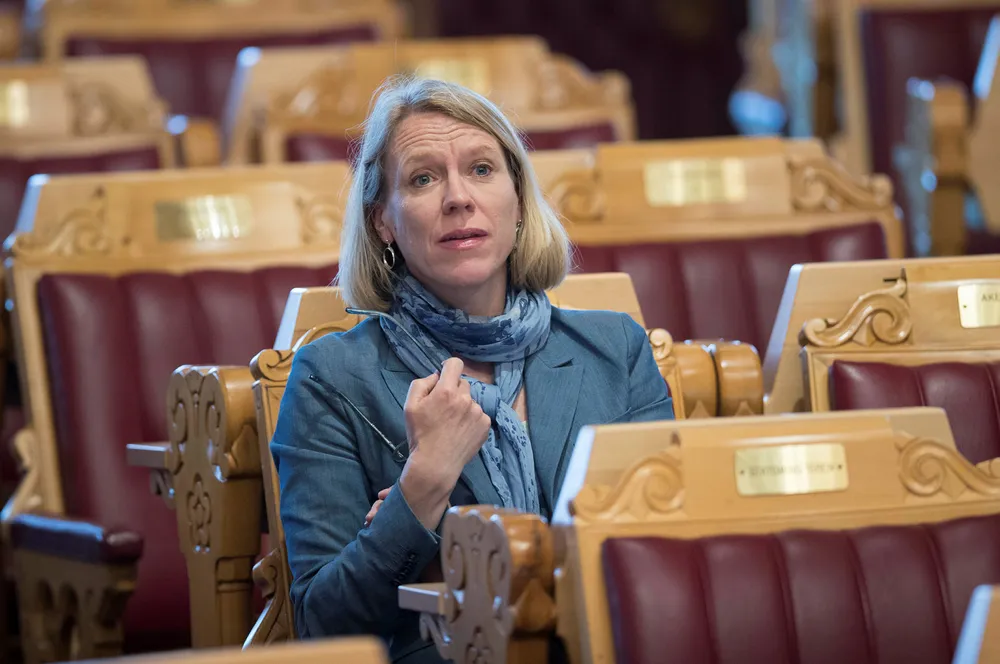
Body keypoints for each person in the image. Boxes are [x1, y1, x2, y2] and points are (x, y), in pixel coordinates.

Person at [270, 76, 674, 663]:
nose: (458, 198)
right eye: (423, 178)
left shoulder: (615, 349)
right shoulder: (331, 378)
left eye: (482, 169)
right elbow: (323, 623)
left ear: (518, 201)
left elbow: (666, 551)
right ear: (383, 220)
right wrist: (422, 485)